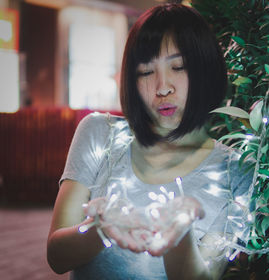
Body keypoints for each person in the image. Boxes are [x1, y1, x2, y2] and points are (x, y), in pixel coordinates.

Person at [47, 3, 252, 280]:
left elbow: (204, 276)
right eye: (145, 72)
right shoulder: (100, 133)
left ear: (206, 69)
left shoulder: (235, 171)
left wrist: (178, 237)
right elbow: (57, 256)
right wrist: (102, 229)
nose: (162, 87)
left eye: (178, 67)